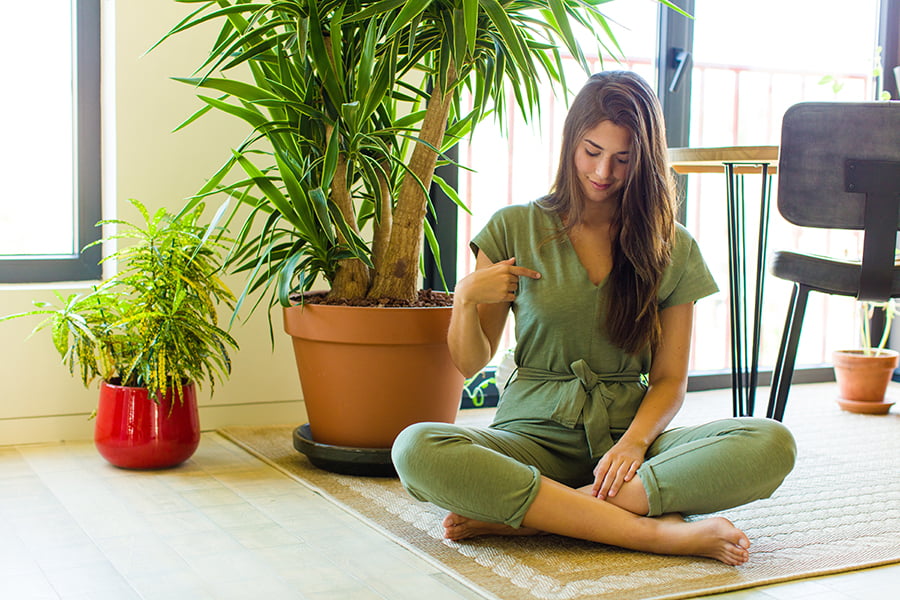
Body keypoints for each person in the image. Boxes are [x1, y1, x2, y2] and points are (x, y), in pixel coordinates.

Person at [391, 71, 796, 566]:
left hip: (628, 447)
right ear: (570, 145)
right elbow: (471, 362)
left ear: (644, 161)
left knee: (771, 442)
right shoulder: (515, 227)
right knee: (415, 447)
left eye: (623, 159)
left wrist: (633, 446)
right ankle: (655, 534)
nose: (604, 171)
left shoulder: (675, 248)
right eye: (592, 151)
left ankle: (539, 516)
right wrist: (465, 297)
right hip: (528, 440)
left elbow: (669, 381)